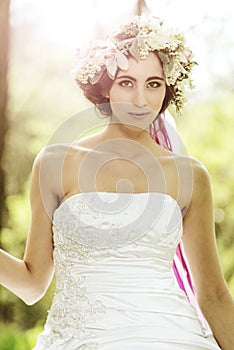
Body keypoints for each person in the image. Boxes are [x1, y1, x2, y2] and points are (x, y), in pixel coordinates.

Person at [0, 14, 234, 350]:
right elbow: (33, 284)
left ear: (167, 88)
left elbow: (212, 295)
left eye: (153, 84)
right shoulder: (55, 163)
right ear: (104, 85)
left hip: (174, 339)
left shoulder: (190, 175)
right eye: (127, 82)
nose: (141, 100)